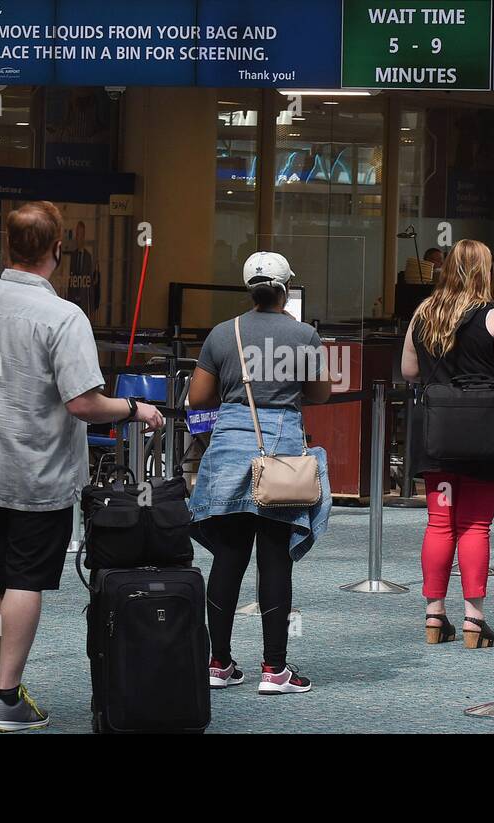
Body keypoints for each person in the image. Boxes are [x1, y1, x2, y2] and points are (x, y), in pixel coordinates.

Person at [0, 201, 165, 731]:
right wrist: (137, 408)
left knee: (0, 573)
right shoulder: (63, 317)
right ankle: (5, 696)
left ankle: (8, 679)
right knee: (27, 577)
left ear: (8, 246)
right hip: (39, 471)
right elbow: (84, 403)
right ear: (57, 250)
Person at [188, 251, 332, 695]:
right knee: (275, 560)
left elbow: (198, 398)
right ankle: (275, 669)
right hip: (282, 453)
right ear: (286, 288)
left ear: (248, 288)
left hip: (230, 450)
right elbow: (320, 394)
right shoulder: (304, 334)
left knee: (228, 559)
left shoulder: (221, 333)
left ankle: (218, 663)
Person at [402, 239, 494, 647]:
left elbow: (409, 370)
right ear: (484, 272)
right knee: (476, 524)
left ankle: (433, 615)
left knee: (439, 522)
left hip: (437, 436)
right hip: (482, 437)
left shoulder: (423, 313)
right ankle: (474, 619)